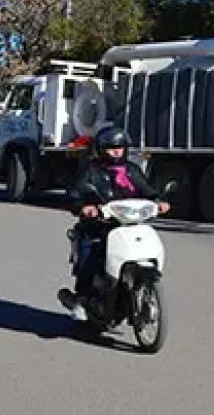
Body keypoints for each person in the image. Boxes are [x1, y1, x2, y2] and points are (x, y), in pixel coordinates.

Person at [68, 126, 170, 321]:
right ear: (101, 149)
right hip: (98, 226)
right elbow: (75, 194)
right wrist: (85, 207)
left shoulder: (131, 170)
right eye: (110, 147)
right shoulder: (91, 171)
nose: (116, 151)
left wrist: (158, 201)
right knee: (89, 256)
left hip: (129, 224)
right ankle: (81, 299)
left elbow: (146, 189)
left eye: (120, 147)